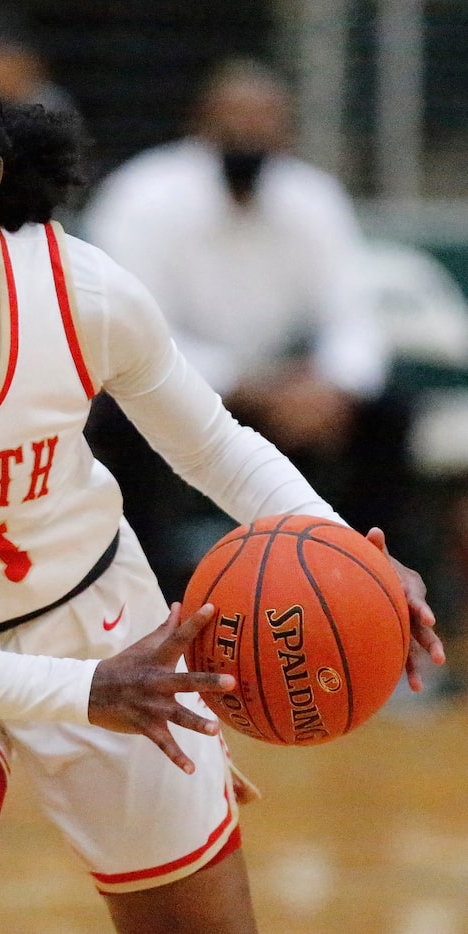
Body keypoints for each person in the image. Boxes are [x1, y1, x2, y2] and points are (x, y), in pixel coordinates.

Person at [0, 47, 443, 933]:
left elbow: (219, 449)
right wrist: (84, 691)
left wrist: (353, 561)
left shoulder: (78, 289)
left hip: (101, 626)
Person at [79, 57, 410, 603]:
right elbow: (134, 334)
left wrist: (333, 385)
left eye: (265, 120)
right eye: (235, 119)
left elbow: (354, 317)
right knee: (117, 423)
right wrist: (246, 386)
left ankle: (369, 603)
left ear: (287, 130)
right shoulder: (141, 197)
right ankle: (153, 605)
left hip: (293, 395)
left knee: (387, 418)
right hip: (171, 387)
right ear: (201, 123)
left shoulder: (314, 197)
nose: (249, 133)